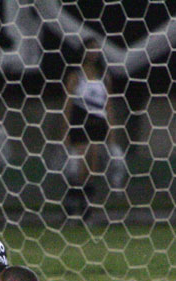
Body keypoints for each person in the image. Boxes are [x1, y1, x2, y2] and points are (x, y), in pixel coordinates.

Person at [63, 38, 117, 217]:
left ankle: (86, 202)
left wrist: (111, 128)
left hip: (97, 123)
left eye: (96, 48)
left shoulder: (104, 76)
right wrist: (65, 129)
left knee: (93, 161)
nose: (94, 52)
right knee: (80, 161)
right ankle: (73, 199)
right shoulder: (76, 76)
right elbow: (68, 104)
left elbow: (109, 104)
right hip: (80, 121)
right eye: (91, 48)